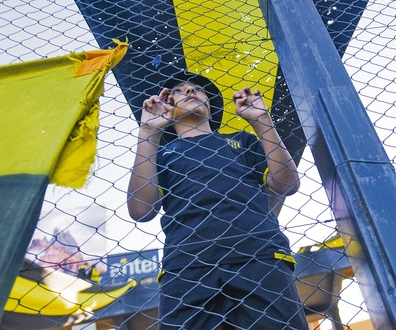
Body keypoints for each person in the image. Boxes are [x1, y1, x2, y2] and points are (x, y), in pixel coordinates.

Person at [127, 72, 308, 329]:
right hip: (187, 265)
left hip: (257, 254)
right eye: (179, 91)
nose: (191, 92)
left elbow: (287, 184)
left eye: (197, 89)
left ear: (211, 106)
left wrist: (262, 121)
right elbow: (141, 210)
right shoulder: (161, 155)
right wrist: (148, 132)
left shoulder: (240, 140)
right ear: (166, 104)